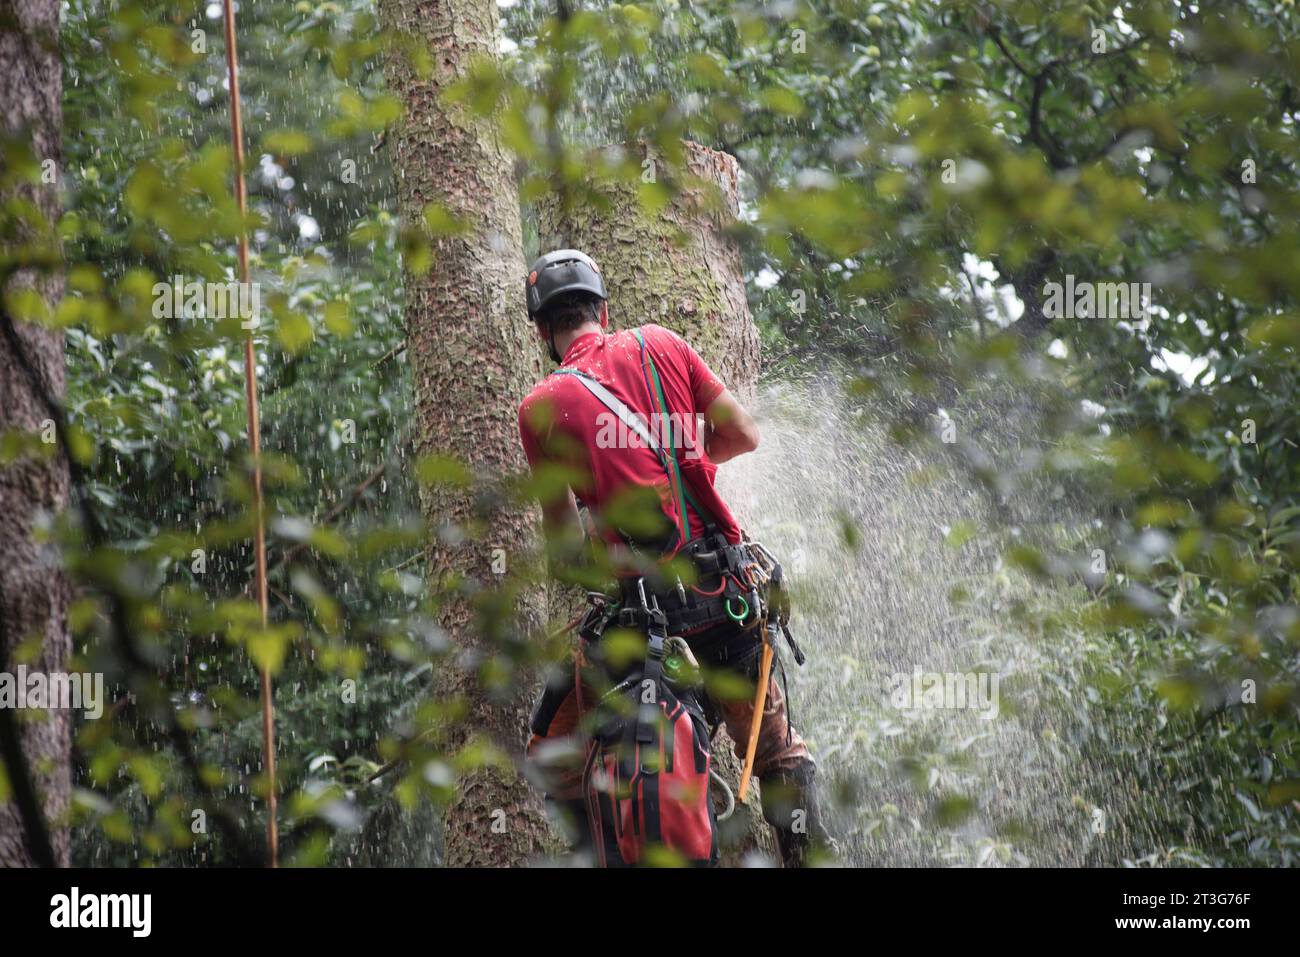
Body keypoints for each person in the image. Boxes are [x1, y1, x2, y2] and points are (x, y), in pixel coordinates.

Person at [517, 249, 831, 866]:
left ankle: (652, 830)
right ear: (602, 310)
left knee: (551, 752)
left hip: (644, 629)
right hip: (729, 594)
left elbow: (564, 554)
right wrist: (680, 463)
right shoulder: (661, 342)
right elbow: (743, 435)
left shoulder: (541, 409)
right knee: (776, 753)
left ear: (542, 333)